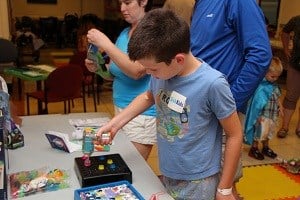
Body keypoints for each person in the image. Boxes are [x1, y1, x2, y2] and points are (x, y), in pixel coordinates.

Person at [97, 9, 243, 199]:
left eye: (153, 69)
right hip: (169, 170)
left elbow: (235, 134)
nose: (149, 73)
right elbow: (149, 96)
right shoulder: (162, 73)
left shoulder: (212, 84)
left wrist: (225, 188)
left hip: (199, 179)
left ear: (178, 59)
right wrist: (115, 123)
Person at [190, 1, 272, 198]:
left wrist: (229, 104)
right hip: (199, 110)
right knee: (205, 183)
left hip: (222, 112)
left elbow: (260, 56)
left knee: (224, 186)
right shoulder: (200, 3)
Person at [85, 0, 156, 160]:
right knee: (119, 164)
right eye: (120, 3)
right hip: (119, 109)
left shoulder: (152, 31)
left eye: (128, 2)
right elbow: (113, 72)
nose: (122, 9)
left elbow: (137, 70)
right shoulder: (124, 33)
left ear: (143, 1)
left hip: (141, 115)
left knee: (133, 169)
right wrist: (98, 67)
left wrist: (106, 43)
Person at [244, 57, 283, 160]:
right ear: (265, 72)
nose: (275, 79)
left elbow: (277, 98)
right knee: (259, 132)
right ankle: (254, 148)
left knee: (268, 132)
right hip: (261, 116)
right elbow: (256, 103)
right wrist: (256, 116)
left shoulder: (274, 86)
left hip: (271, 115)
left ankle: (266, 147)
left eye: (277, 77)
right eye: (273, 76)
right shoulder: (260, 86)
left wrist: (280, 106)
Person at [277, 15, 300, 139]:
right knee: (291, 96)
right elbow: (285, 32)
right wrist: (286, 49)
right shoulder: (296, 20)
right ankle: (284, 127)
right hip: (295, 64)